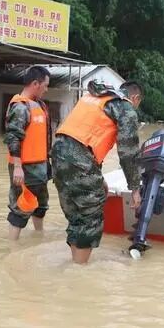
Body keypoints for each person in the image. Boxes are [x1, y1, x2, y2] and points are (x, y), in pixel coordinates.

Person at [51, 80, 143, 264]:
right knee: (90, 218)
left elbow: (86, 137)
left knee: (76, 216)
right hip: (80, 160)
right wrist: (135, 188)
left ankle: (75, 263)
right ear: (135, 98)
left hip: (57, 154)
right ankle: (79, 272)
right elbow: (128, 153)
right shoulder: (125, 107)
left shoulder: (94, 97)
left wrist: (99, 178)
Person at [3, 66, 52, 240]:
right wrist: (17, 167)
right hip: (24, 168)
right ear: (35, 84)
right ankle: (12, 248)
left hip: (40, 167)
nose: (46, 89)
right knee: (20, 208)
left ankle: (38, 236)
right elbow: (13, 138)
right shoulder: (20, 107)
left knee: (41, 205)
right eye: (45, 85)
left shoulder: (40, 105)